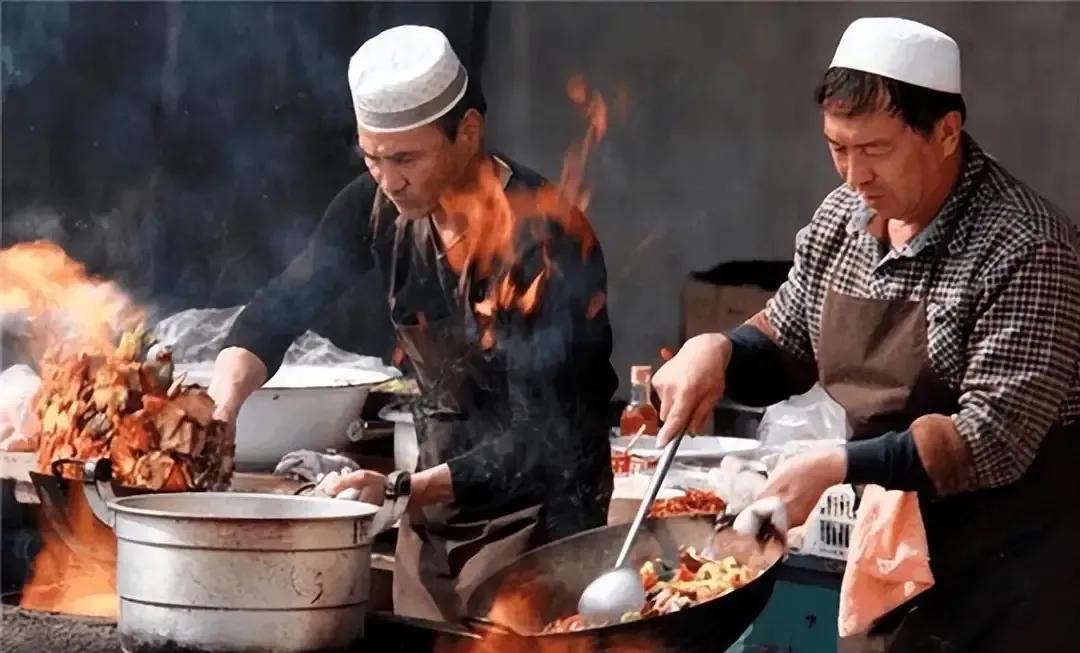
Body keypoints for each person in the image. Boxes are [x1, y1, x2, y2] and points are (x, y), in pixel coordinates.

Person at [653, 17, 1080, 651]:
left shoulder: (1026, 245)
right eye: (837, 148)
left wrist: (835, 464)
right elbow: (788, 341)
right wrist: (718, 351)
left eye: (874, 149)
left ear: (945, 132)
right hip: (899, 556)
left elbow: (990, 439)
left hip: (1016, 570)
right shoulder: (843, 218)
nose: (854, 175)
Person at [207, 24, 617, 621]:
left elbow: (543, 438)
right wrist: (223, 411)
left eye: (405, 158)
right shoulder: (373, 208)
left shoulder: (544, 240)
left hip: (543, 518)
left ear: (468, 132)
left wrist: (397, 490)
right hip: (435, 511)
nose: (388, 178)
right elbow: (279, 309)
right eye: (371, 157)